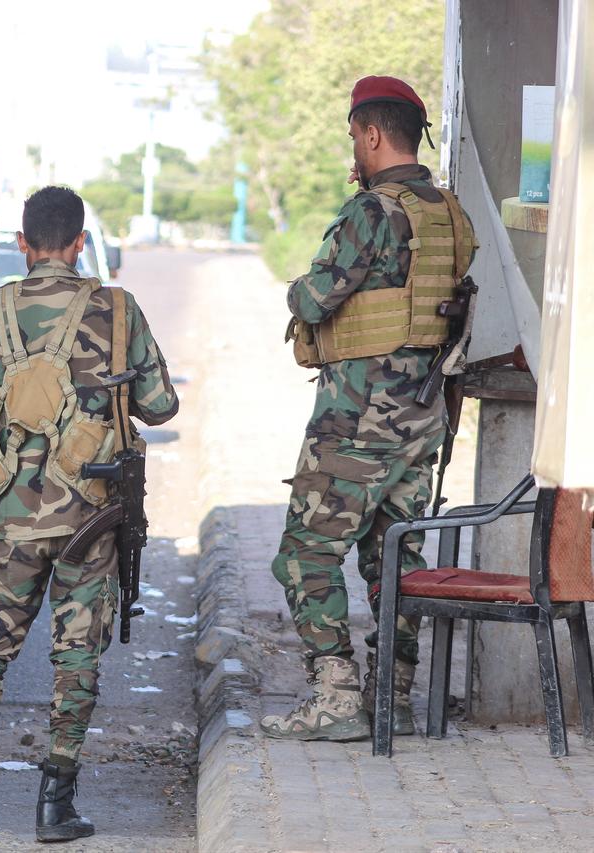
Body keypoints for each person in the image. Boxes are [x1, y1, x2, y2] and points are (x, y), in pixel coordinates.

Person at [0, 186, 178, 841]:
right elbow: (162, 405)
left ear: (23, 244)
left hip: (15, 518)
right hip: (92, 517)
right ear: (80, 243)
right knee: (76, 657)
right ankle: (56, 805)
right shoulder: (119, 310)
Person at [261, 76, 476, 741]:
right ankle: (396, 697)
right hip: (422, 414)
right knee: (396, 555)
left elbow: (313, 300)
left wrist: (299, 286)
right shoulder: (451, 213)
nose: (353, 146)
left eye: (355, 134)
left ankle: (336, 695)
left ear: (373, 134)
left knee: (305, 552)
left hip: (359, 420)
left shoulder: (371, 212)